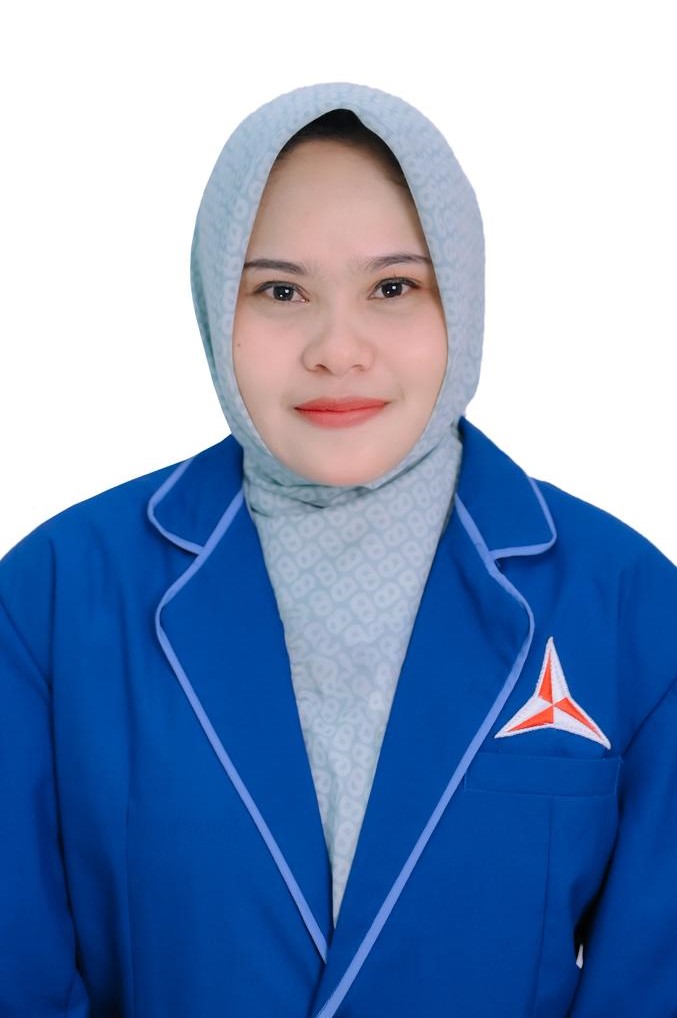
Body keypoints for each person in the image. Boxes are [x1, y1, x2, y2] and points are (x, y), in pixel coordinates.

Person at [0, 82, 675, 1018]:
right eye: (280, 291)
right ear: (214, 306)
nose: (337, 348)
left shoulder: (628, 603)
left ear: (460, 298)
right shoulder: (53, 595)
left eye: (392, 288)